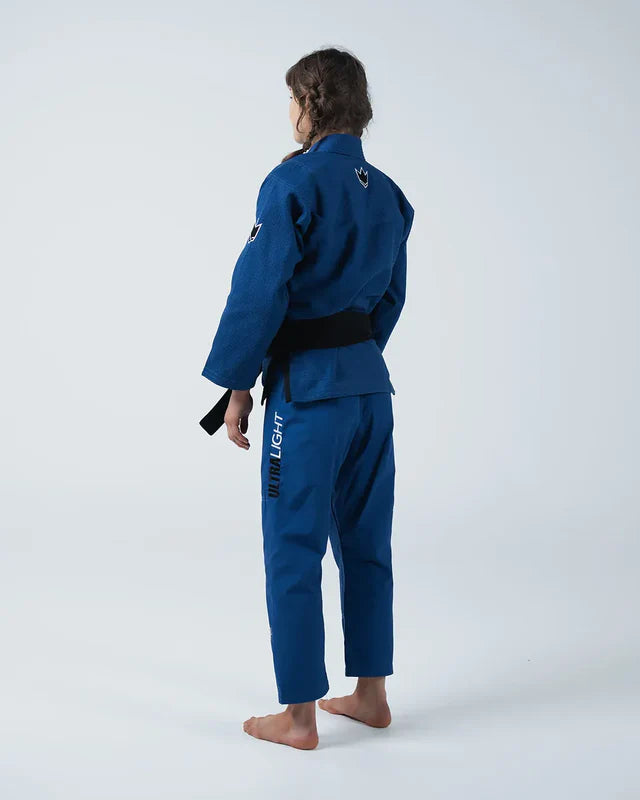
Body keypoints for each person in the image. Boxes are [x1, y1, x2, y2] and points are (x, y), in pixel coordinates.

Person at [200, 47, 415, 750]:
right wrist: (353, 356)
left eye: (293, 99)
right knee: (366, 542)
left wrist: (239, 383)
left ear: (311, 104)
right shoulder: (389, 194)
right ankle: (371, 696)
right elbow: (390, 299)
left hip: (309, 395)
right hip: (370, 390)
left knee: (293, 547)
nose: (289, 112)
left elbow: (260, 289)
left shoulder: (291, 182)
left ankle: (298, 718)